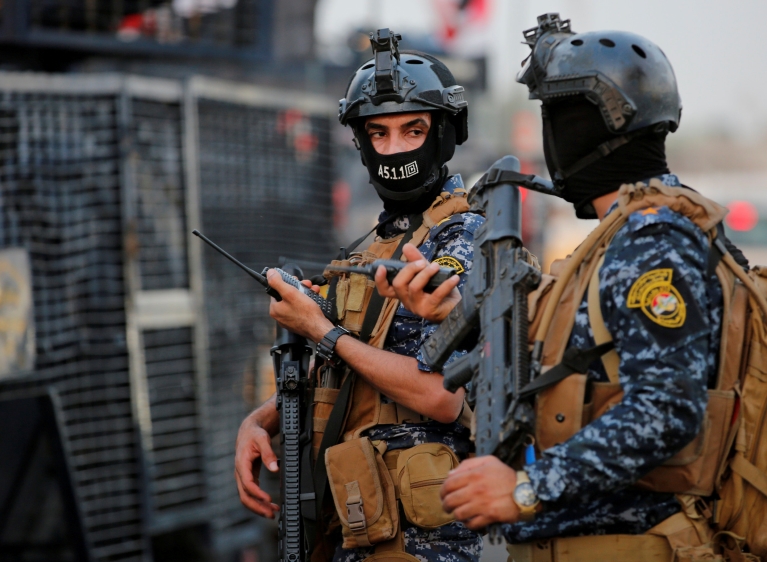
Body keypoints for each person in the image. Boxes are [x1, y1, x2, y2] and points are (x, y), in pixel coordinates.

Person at [381, 14, 730, 562]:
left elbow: (665, 411)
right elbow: (585, 370)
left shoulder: (652, 241)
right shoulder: (632, 234)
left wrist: (527, 487)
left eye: (556, 116)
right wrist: (456, 312)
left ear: (590, 127)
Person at [234, 28, 483, 562]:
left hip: (427, 538)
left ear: (443, 134)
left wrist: (320, 330)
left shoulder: (464, 239)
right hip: (360, 518)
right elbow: (352, 369)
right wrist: (261, 420)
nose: (394, 151)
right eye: (379, 134)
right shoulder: (374, 245)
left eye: (412, 130)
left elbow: (439, 395)